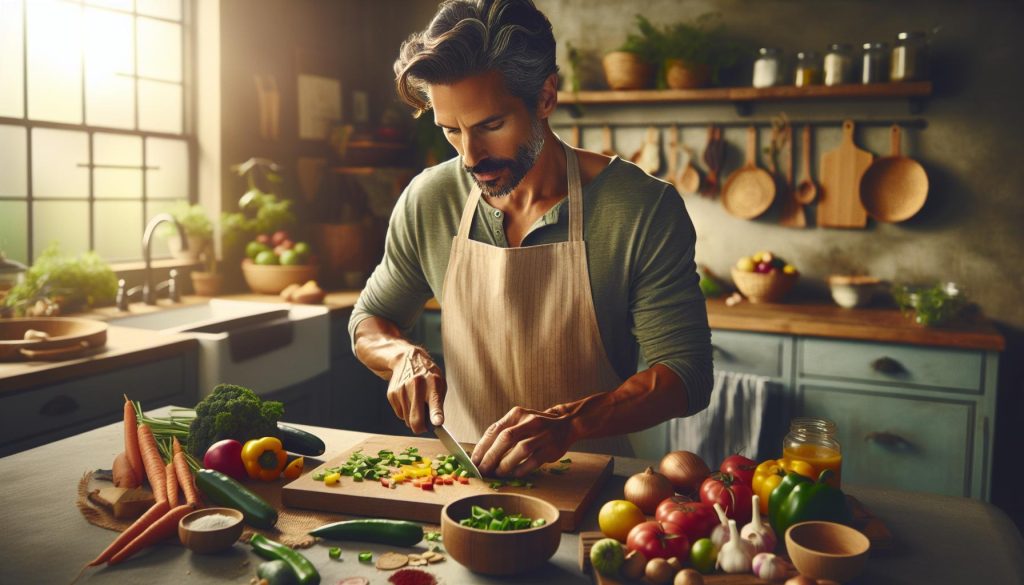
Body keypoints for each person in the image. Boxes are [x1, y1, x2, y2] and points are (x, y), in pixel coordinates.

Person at [349, 0, 713, 478]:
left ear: (545, 96)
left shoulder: (641, 208)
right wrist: (403, 356)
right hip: (460, 487)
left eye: (490, 126)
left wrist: (569, 421)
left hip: (593, 491)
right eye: (450, 131)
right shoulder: (429, 199)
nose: (469, 156)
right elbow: (369, 320)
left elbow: (687, 376)